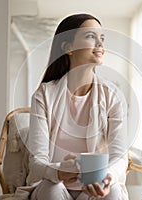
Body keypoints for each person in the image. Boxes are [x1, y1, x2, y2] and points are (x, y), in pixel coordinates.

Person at [27, 13, 129, 200]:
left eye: (102, 38)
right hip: (54, 184)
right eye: (91, 36)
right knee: (53, 190)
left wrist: (108, 178)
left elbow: (120, 157)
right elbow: (36, 161)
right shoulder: (44, 94)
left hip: (95, 187)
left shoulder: (113, 96)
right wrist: (58, 174)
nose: (100, 44)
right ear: (68, 47)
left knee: (113, 191)